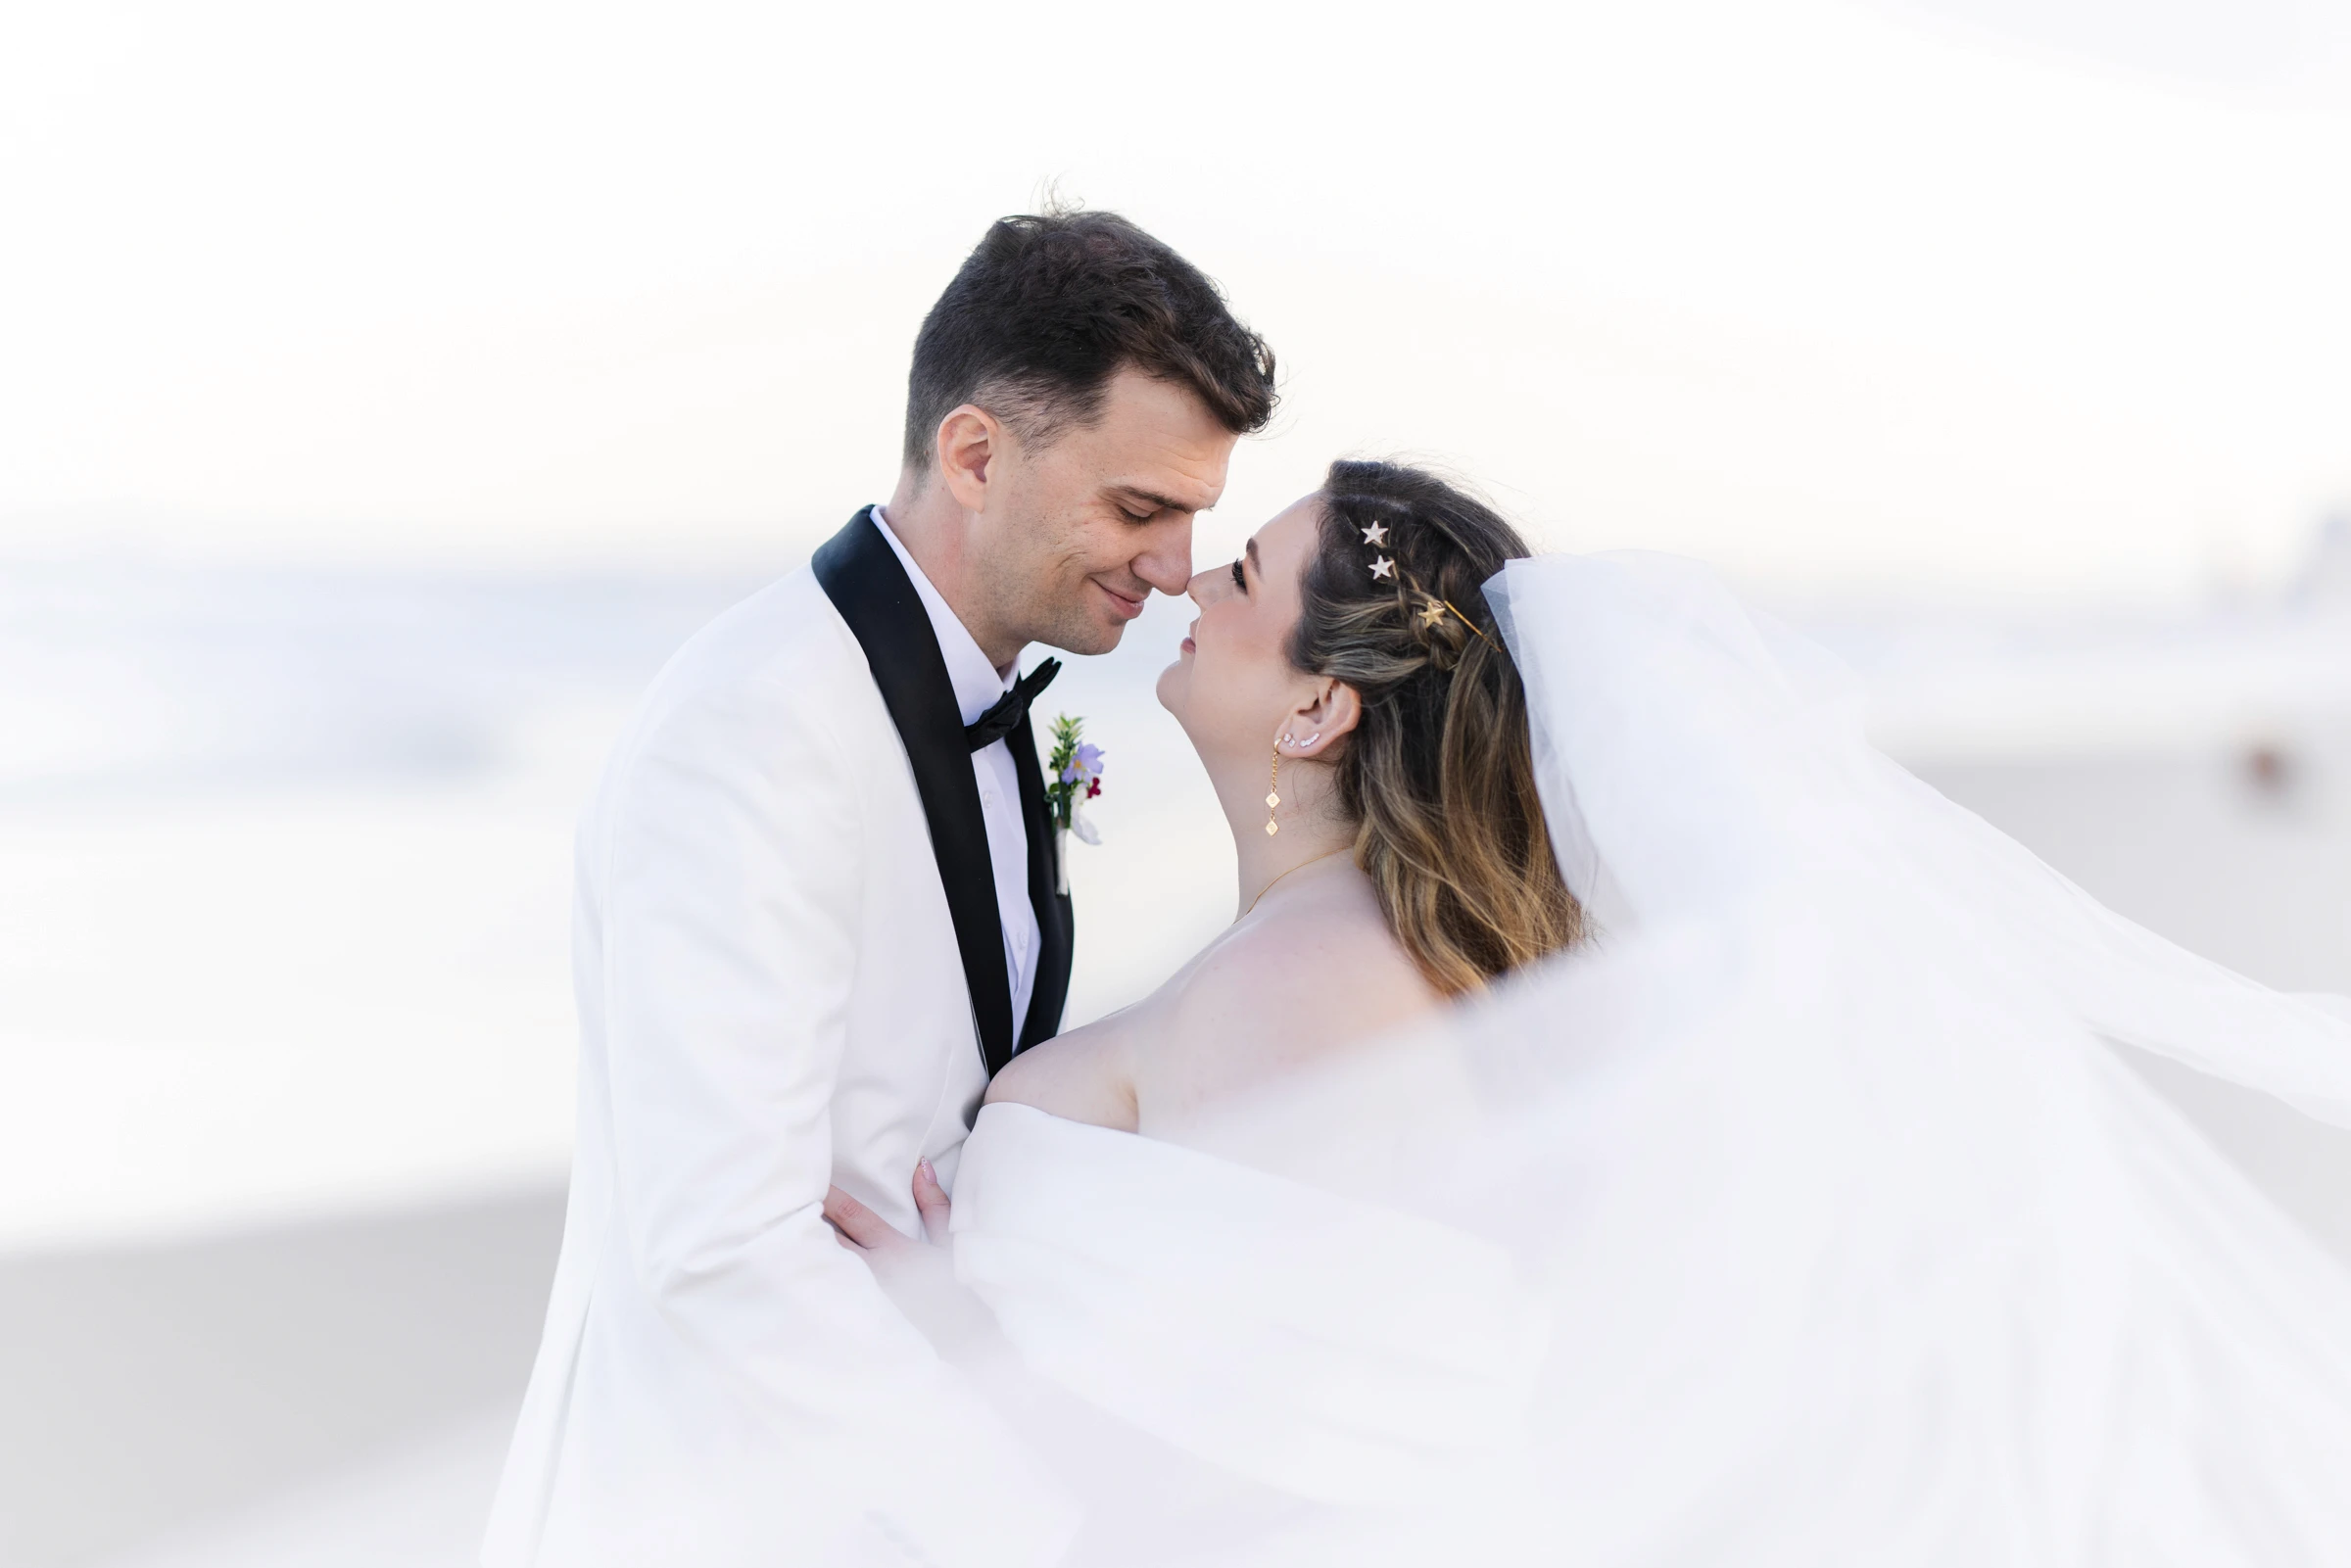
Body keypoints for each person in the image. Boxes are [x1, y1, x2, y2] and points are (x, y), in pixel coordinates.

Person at [830, 459, 2351, 1564]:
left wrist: (952, 1361)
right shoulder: (1331, 955)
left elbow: (1284, 1484)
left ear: (1317, 706)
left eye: (1239, 580)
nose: (1188, 584)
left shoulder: (1316, 982)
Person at [480, 209, 1275, 1568]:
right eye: (1140, 509)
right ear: (975, 455)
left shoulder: (1010, 707)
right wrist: (1042, 1519)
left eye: (1192, 518)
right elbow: (721, 1249)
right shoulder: (756, 729)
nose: (1172, 565)